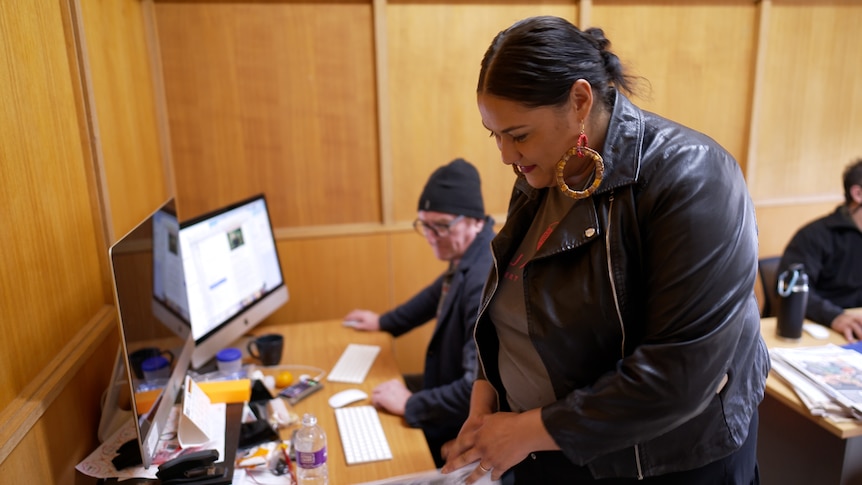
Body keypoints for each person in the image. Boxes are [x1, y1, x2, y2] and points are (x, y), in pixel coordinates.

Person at [439, 16, 769, 485]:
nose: (506, 156)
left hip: (664, 464)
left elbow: (679, 376)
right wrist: (486, 392)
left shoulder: (693, 176)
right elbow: (512, 306)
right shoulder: (541, 173)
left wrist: (529, 430)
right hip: (547, 449)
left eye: (518, 134)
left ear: (579, 100)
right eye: (495, 135)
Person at [343, 158, 495, 468]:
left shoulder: (482, 276)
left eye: (440, 226)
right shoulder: (472, 254)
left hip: (461, 421)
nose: (430, 235)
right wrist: (383, 322)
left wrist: (412, 404)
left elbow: (474, 386)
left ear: (475, 221)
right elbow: (434, 294)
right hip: (443, 390)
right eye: (424, 225)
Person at [779, 158, 862, 342]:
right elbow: (792, 288)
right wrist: (834, 316)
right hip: (824, 334)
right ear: (858, 193)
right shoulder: (814, 235)